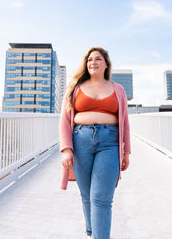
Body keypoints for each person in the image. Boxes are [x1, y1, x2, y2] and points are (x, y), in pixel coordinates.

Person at [59, 46, 131, 238]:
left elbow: (125, 121)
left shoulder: (118, 90)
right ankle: (92, 231)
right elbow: (65, 120)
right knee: (87, 195)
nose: (93, 62)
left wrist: (126, 152)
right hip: (80, 141)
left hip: (110, 143)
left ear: (106, 64)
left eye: (98, 59)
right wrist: (66, 149)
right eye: (90, 60)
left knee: (101, 199)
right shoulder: (75, 88)